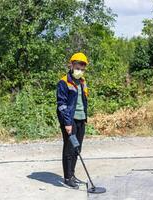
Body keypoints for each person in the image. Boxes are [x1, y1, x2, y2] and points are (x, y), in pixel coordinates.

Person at [56, 52, 88, 189]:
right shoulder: (64, 82)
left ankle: (72, 174)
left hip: (81, 119)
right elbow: (62, 105)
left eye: (82, 68)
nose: (79, 71)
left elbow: (83, 101)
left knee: (77, 148)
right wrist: (67, 123)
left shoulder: (82, 81)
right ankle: (67, 178)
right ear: (71, 65)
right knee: (69, 149)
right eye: (77, 67)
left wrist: (85, 117)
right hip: (70, 121)